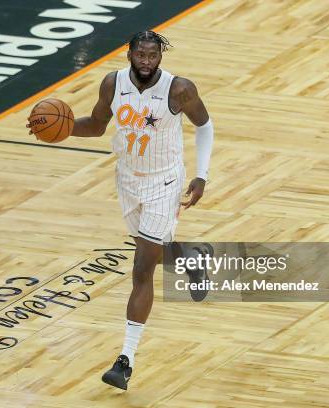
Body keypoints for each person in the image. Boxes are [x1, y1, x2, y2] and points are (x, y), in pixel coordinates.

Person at [27, 30, 214, 390]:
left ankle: (125, 361)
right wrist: (59, 130)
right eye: (140, 55)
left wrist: (201, 175)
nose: (146, 61)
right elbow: (96, 127)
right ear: (129, 54)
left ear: (160, 56)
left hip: (164, 182)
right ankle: (191, 259)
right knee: (153, 251)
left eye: (152, 56)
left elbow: (204, 126)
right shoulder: (113, 83)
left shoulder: (179, 90)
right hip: (127, 179)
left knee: (142, 267)